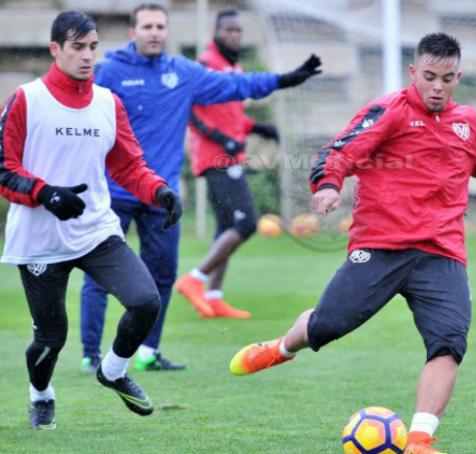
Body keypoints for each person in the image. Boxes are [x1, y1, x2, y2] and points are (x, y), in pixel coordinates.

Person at [228, 33, 476, 454]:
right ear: (414, 73)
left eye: (448, 78)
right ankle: (280, 348)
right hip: (381, 245)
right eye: (431, 77)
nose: (438, 87)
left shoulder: (468, 124)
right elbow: (340, 151)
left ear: (459, 77)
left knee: (450, 343)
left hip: (441, 252)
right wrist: (328, 185)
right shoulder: (388, 112)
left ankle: (420, 439)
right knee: (328, 325)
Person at [79, 3, 322, 373]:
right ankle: (90, 354)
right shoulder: (110, 72)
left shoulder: (182, 72)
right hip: (112, 192)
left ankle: (146, 352)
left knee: (161, 276)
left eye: (161, 25)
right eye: (147, 26)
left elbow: (233, 85)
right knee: (100, 275)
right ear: (133, 32)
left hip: (162, 195)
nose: (155, 32)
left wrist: (284, 79)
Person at [0, 11, 183, 429]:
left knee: (145, 301)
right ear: (55, 49)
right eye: (77, 47)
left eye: (93, 47)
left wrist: (160, 192)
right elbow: (2, 168)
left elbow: (129, 165)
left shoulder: (107, 103)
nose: (87, 56)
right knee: (51, 340)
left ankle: (113, 371)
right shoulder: (26, 100)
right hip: (39, 237)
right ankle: (41, 396)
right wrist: (45, 193)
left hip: (96, 230)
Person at [174, 10, 280, 319]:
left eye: (238, 30)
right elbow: (191, 111)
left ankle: (215, 296)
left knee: (225, 227)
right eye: (229, 30)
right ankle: (194, 278)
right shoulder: (206, 65)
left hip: (230, 154)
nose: (234, 35)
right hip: (215, 157)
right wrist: (221, 139)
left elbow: (231, 116)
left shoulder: (233, 67)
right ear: (216, 32)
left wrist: (258, 129)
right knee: (245, 223)